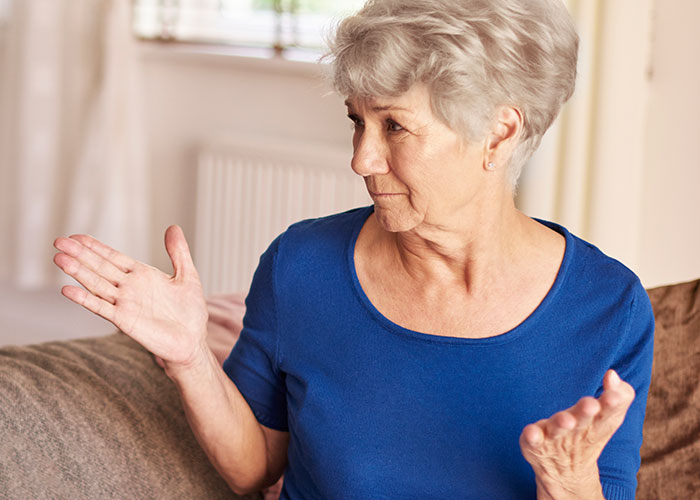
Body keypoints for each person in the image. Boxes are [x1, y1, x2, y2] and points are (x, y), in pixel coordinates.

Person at [53, 0, 654, 498]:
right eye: (356, 122)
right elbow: (255, 467)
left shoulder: (608, 308)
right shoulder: (302, 266)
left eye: (393, 126)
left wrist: (569, 480)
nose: (361, 160)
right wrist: (190, 359)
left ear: (497, 132)